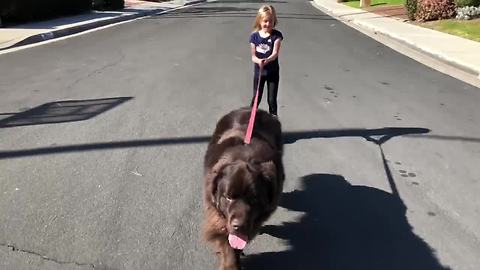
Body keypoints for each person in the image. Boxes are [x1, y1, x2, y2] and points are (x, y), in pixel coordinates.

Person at [249, 5, 283, 117]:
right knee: (256, 98)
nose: (268, 24)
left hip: (273, 73)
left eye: (271, 21)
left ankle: (274, 123)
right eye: (265, 21)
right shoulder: (254, 37)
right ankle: (249, 121)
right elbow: (253, 56)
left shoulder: (276, 36)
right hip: (259, 74)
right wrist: (258, 60)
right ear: (259, 20)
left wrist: (267, 59)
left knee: (271, 100)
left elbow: (275, 53)